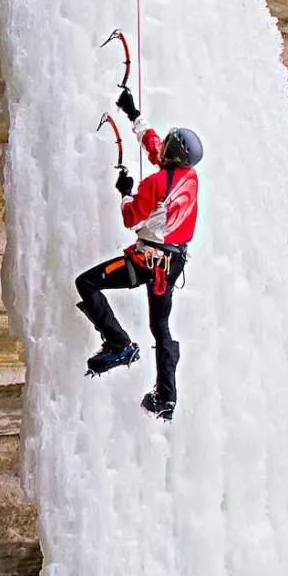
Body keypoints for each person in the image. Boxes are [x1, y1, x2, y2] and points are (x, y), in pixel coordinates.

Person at [74, 87, 202, 420]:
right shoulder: (189, 177)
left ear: (173, 155)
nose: (164, 148)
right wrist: (133, 115)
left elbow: (132, 219)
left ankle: (119, 344)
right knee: (161, 327)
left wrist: (126, 193)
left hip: (147, 262)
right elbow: (156, 148)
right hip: (173, 264)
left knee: (86, 283)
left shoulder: (155, 185)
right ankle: (166, 398)